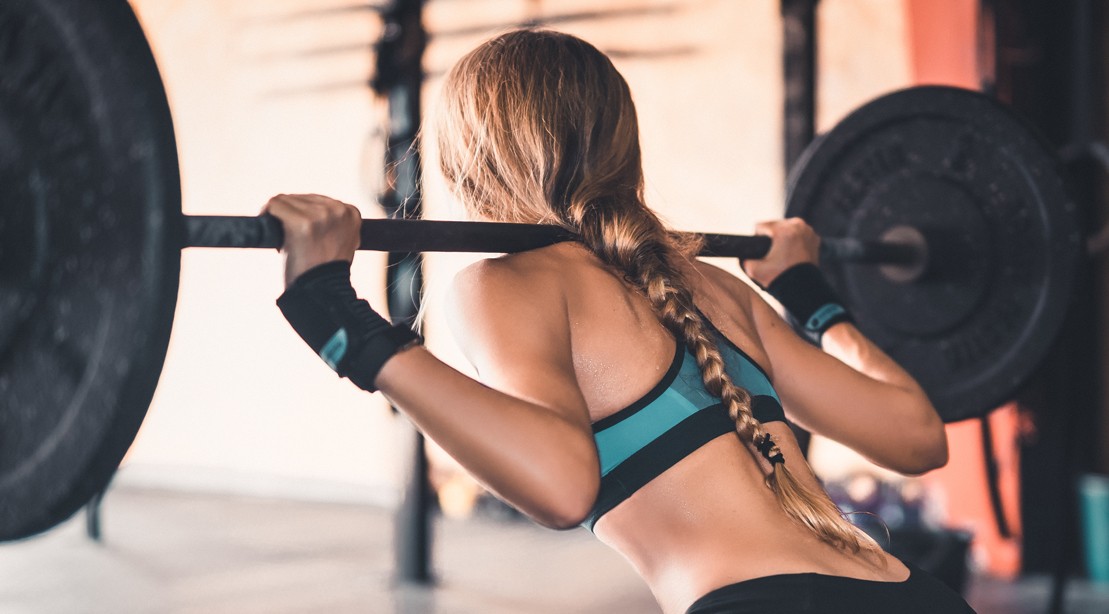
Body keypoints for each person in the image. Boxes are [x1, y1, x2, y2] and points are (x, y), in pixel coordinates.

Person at [264, 29, 975, 614]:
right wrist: (811, 295)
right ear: (619, 143)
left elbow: (558, 484)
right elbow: (914, 435)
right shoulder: (712, 285)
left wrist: (342, 324)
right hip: (912, 594)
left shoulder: (509, 283)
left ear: (467, 158)